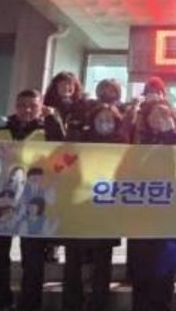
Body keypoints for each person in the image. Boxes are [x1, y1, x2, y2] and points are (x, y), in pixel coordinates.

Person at [0, 89, 64, 311]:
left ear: (41, 108)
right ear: (16, 106)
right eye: (23, 105)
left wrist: (53, 119)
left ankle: (30, 305)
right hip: (0, 202)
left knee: (33, 260)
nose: (27, 110)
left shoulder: (47, 133)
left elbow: (64, 148)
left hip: (34, 204)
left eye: (32, 106)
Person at [61, 103, 124, 311]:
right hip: (78, 209)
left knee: (102, 263)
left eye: (109, 120)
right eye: (100, 119)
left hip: (106, 212)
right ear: (92, 121)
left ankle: (99, 304)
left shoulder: (123, 145)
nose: (104, 124)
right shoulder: (79, 143)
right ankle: (72, 304)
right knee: (73, 261)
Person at [128, 102, 176, 311]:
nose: (158, 118)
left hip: (167, 212)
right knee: (141, 268)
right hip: (140, 211)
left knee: (164, 269)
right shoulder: (137, 138)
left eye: (164, 114)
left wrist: (169, 131)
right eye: (154, 114)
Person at [43, 72, 87, 141]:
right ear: (55, 87)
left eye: (70, 84)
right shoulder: (46, 104)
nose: (66, 87)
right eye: (62, 84)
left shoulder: (81, 105)